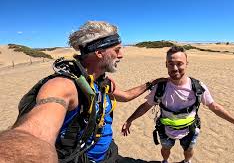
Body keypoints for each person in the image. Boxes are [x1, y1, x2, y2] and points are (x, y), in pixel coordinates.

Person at [0, 21, 163, 163]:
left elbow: (126, 96)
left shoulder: (101, 82)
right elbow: (32, 136)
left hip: (109, 155)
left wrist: (151, 83)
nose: (121, 55)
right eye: (117, 50)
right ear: (99, 53)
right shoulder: (63, 85)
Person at [121, 46, 234, 163]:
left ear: (187, 64)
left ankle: (186, 161)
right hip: (165, 130)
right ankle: (165, 161)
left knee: (188, 150)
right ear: (166, 64)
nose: (175, 68)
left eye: (179, 64)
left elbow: (214, 106)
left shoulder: (197, 87)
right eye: (171, 64)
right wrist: (130, 120)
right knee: (165, 149)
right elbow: (146, 106)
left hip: (190, 130)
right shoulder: (160, 87)